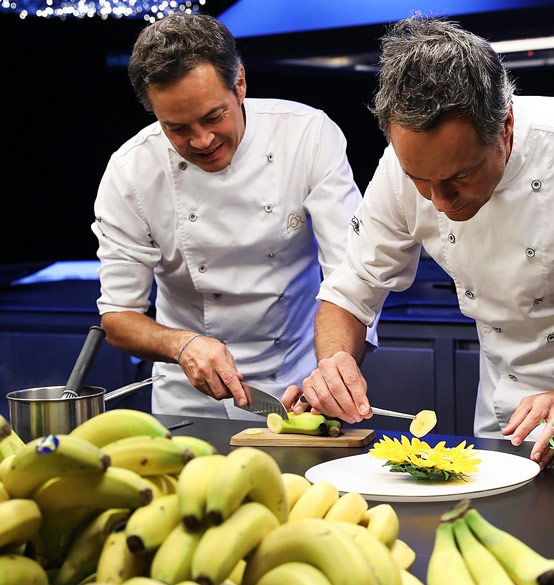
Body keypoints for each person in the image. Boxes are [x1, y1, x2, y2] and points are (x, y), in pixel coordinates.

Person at [300, 16, 554, 468]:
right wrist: (335, 364)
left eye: (459, 176)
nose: (439, 201)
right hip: (503, 428)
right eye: (421, 180)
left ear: (506, 127)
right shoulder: (400, 167)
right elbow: (351, 290)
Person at [91, 13, 365, 419]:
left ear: (240, 83)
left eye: (213, 116)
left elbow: (350, 276)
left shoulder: (307, 135)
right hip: (189, 400)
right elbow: (117, 317)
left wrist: (334, 368)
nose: (201, 140)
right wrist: (181, 345)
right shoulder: (131, 171)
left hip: (299, 388)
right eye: (177, 128)